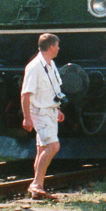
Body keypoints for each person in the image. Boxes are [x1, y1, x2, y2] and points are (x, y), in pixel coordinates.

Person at [20, 32, 65, 200]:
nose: (59, 49)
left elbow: (54, 89)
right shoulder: (34, 67)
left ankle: (37, 189)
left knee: (42, 149)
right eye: (57, 46)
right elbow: (25, 94)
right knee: (53, 147)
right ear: (52, 47)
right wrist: (27, 118)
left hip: (50, 112)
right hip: (39, 113)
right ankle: (36, 184)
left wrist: (58, 109)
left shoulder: (50, 64)